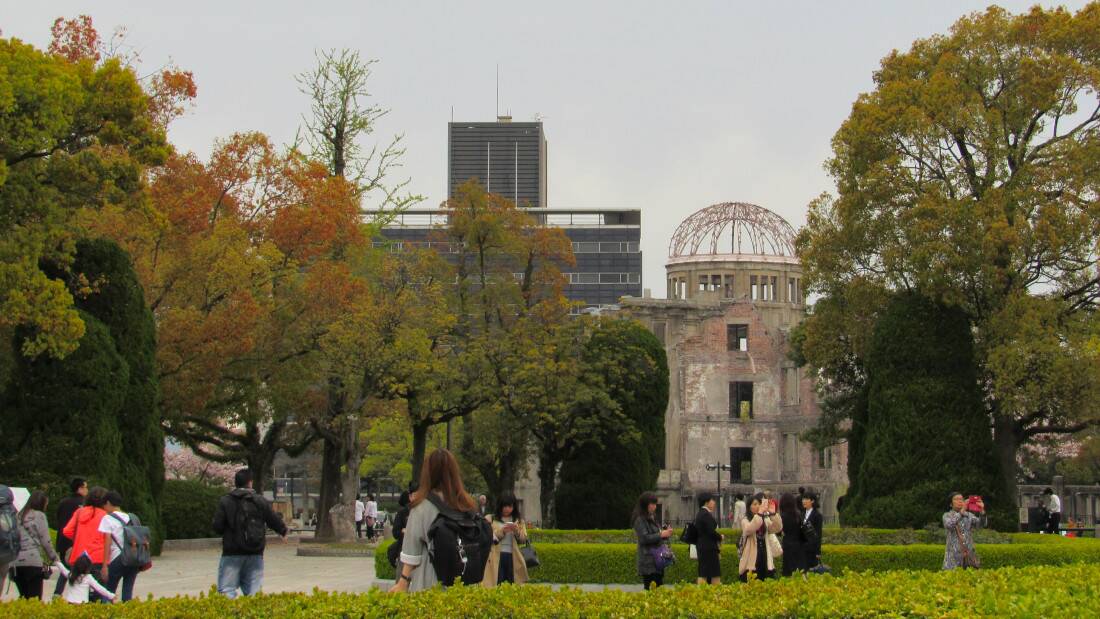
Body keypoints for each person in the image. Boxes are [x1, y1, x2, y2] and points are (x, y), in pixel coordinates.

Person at [390, 449, 479, 593]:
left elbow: (412, 553)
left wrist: (403, 582)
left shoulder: (421, 507)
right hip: (464, 578)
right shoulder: (466, 504)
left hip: (431, 577)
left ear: (428, 473)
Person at [212, 469, 289, 598]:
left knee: (227, 589)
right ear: (250, 483)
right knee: (254, 592)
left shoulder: (225, 501)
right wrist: (283, 531)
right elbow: (272, 518)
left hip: (232, 552)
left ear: (236, 483)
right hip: (255, 552)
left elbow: (217, 527)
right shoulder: (260, 501)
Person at [62, 486, 110, 601]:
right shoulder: (105, 515)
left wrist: (78, 539)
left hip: (79, 558)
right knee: (97, 593)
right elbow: (108, 539)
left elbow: (67, 531)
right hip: (97, 558)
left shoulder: (79, 512)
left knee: (79, 591)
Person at [12, 490, 61, 600]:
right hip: (33, 561)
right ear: (42, 503)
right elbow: (46, 541)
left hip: (16, 563)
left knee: (23, 599)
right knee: (34, 599)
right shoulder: (39, 516)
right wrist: (55, 558)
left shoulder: (17, 516)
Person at [99, 490, 141, 602]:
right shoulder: (131, 517)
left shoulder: (107, 518)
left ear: (108, 503)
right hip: (133, 558)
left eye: (104, 505)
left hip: (118, 558)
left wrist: (104, 566)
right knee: (127, 592)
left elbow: (107, 541)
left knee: (108, 592)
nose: (104, 508)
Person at [482, 494, 529, 587]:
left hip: (513, 557)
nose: (507, 509)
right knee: (496, 585)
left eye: (510, 506)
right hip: (495, 557)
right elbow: (485, 537)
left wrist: (516, 531)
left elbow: (523, 540)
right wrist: (502, 532)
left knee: (512, 586)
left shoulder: (518, 521)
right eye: (504, 506)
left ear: (514, 506)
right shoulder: (490, 519)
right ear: (500, 506)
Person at [53, 477, 88, 598]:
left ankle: (57, 593)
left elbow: (59, 520)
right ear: (80, 488)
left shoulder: (63, 502)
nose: (87, 490)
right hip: (76, 541)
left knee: (65, 569)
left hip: (63, 541)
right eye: (85, 487)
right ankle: (79, 596)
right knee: (82, 570)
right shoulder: (83, 504)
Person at [632, 492, 673, 589]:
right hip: (648, 561)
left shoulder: (652, 517)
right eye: (653, 504)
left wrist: (665, 533)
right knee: (651, 589)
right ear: (646, 504)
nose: (655, 506)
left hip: (657, 560)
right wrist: (661, 534)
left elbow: (656, 534)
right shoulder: (640, 519)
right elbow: (644, 538)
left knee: (659, 588)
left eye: (655, 504)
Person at [739, 492, 782, 582]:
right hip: (752, 556)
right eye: (754, 504)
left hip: (764, 553)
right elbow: (748, 529)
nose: (757, 506)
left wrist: (773, 514)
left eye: (759, 504)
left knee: (766, 580)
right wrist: (759, 514)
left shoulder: (765, 519)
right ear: (749, 507)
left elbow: (777, 528)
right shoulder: (745, 520)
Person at [943, 491, 983, 570]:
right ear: (951, 504)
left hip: (969, 558)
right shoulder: (947, 515)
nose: (960, 501)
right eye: (956, 499)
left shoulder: (969, 515)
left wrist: (982, 510)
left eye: (961, 499)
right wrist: (962, 511)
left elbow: (981, 525)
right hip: (952, 560)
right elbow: (949, 525)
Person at [694, 492, 723, 584]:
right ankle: (713, 594)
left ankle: (704, 593)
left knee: (704, 572)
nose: (714, 502)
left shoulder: (701, 513)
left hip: (703, 547)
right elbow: (711, 531)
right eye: (712, 500)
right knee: (713, 573)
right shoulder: (705, 514)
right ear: (706, 502)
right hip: (708, 548)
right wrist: (720, 537)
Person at [777, 492, 804, 577]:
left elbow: (778, 532)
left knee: (788, 570)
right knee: (799, 569)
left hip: (788, 544)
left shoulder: (783, 516)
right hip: (798, 544)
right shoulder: (798, 515)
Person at [801, 492, 824, 570]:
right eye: (803, 499)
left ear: (812, 501)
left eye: (806, 499)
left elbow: (818, 534)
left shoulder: (817, 515)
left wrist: (818, 551)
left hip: (812, 549)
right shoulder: (802, 514)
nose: (803, 501)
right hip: (802, 548)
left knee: (811, 572)